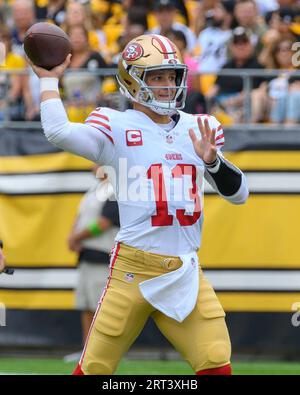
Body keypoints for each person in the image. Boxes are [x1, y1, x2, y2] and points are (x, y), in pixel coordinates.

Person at [28, 33, 248, 375]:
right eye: (156, 76)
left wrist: (213, 163)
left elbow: (239, 194)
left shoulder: (199, 128)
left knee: (216, 361)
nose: (166, 85)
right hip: (132, 270)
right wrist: (48, 81)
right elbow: (57, 131)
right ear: (132, 80)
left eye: (172, 76)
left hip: (185, 270)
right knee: (95, 368)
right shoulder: (115, 126)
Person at [68, 165, 120, 344]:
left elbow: (103, 222)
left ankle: (103, 351)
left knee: (102, 308)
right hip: (87, 256)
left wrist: (76, 237)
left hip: (103, 257)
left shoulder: (116, 189)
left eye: (97, 161)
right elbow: (82, 218)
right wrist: (73, 236)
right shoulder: (94, 189)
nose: (92, 165)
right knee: (87, 306)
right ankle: (86, 351)